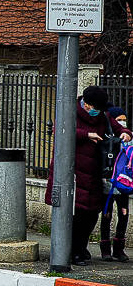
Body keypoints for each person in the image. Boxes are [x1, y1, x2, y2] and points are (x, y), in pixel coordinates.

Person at [46, 86, 132, 266]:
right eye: (91, 107)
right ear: (85, 103)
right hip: (71, 174)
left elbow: (118, 128)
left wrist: (125, 134)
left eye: (97, 109)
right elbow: (60, 130)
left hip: (94, 174)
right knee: (75, 215)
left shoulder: (102, 116)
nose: (93, 111)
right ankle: (72, 252)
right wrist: (86, 135)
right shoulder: (70, 111)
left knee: (91, 213)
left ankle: (80, 248)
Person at [101, 106, 131, 262]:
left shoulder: (129, 138)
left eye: (124, 119)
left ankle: (119, 249)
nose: (123, 123)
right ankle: (105, 248)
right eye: (119, 120)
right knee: (106, 214)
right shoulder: (107, 138)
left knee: (124, 214)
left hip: (124, 183)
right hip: (108, 181)